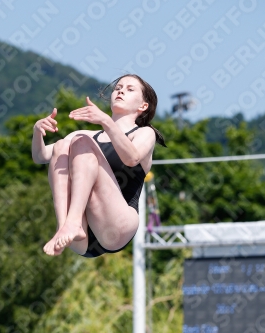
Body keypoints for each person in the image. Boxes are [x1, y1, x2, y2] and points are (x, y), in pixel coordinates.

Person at [31, 74, 166, 257]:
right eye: (118, 87)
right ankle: (65, 224)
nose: (121, 91)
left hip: (116, 225)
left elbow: (132, 158)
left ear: (143, 106)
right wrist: (37, 131)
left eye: (129, 89)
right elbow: (41, 156)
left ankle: (72, 222)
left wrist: (106, 121)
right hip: (83, 237)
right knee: (64, 145)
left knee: (81, 141)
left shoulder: (144, 133)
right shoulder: (87, 136)